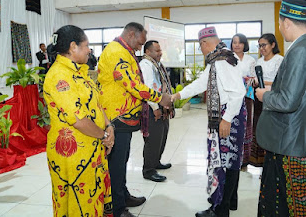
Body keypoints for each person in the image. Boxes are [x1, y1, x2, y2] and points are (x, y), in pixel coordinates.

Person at [256, 0, 306, 216]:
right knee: (298, 197)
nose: (279, 29)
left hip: (290, 140)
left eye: (279, 24)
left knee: (295, 201)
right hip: (298, 136)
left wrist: (265, 95)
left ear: (286, 22)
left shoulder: (300, 51)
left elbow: (288, 101)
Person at [97, 22, 172, 217]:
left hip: (125, 118)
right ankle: (117, 208)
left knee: (122, 162)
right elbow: (132, 84)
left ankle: (123, 195)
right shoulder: (116, 52)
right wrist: (159, 98)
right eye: (140, 42)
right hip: (116, 118)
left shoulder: (124, 49)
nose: (141, 47)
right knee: (116, 165)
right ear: (131, 34)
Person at [172, 27, 246, 217]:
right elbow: (201, 83)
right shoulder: (219, 58)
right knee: (230, 161)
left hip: (228, 114)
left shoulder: (222, 61)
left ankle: (220, 210)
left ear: (205, 43)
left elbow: (238, 92)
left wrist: (226, 119)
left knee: (224, 162)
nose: (201, 50)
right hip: (230, 112)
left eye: (200, 46)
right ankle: (229, 201)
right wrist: (178, 95)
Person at [43, 25, 114, 217]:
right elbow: (78, 120)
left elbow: (97, 104)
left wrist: (108, 126)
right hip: (73, 154)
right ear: (73, 47)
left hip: (93, 146)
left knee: (93, 199)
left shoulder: (81, 71)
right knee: (78, 205)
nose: (89, 50)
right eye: (86, 45)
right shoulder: (59, 76)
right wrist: (104, 135)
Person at [139, 40, 174, 182]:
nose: (160, 53)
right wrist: (155, 108)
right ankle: (148, 170)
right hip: (152, 107)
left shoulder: (156, 64)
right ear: (147, 52)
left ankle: (156, 162)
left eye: (160, 50)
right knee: (153, 139)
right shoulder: (145, 66)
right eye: (157, 51)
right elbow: (147, 89)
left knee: (162, 135)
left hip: (161, 104)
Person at [251, 33, 283, 168]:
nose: (261, 48)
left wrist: (262, 82)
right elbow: (254, 78)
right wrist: (253, 82)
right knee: (260, 128)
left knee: (272, 130)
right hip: (259, 99)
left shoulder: (279, 60)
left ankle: (274, 164)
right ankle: (261, 163)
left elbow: (280, 81)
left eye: (264, 45)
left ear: (273, 45)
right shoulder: (258, 62)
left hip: (274, 98)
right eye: (259, 46)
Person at [231, 33, 256, 172]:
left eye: (240, 42)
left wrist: (248, 79)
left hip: (246, 97)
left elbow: (254, 78)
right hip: (231, 98)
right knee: (233, 124)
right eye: (234, 42)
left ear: (244, 44)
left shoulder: (251, 60)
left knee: (246, 125)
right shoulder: (228, 59)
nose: (237, 45)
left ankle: (245, 159)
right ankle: (233, 156)